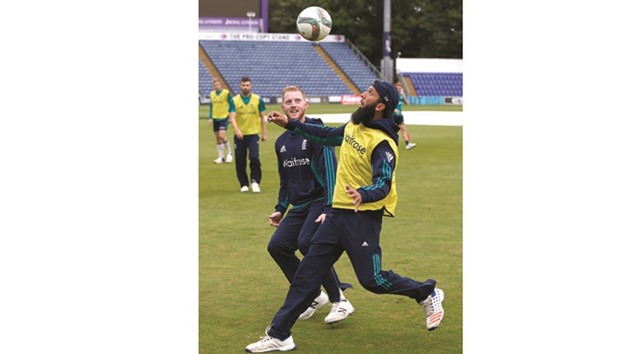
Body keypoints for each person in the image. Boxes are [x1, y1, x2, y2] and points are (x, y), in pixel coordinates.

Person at [245, 81, 445, 353]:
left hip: (363, 218)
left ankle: (426, 292)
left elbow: (383, 183)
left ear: (380, 105)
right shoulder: (353, 127)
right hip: (337, 215)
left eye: (369, 93)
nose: (362, 95)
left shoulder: (383, 143)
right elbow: (325, 135)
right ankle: (280, 334)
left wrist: (364, 193)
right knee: (307, 273)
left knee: (372, 280)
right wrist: (290, 125)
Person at [268, 85, 354, 325]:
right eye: (288, 102)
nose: (293, 105)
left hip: (320, 201)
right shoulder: (281, 141)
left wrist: (329, 208)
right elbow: (285, 180)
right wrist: (280, 208)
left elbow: (330, 172)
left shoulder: (318, 131)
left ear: (306, 104)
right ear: (283, 107)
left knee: (307, 243)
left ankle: (340, 300)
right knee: (277, 246)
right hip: (299, 206)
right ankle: (314, 295)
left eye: (297, 100)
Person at [229, 77, 267, 193]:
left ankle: (255, 181)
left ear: (250, 86)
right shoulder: (234, 101)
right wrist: (237, 130)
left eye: (247, 85)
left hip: (253, 133)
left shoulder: (257, 100)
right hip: (240, 135)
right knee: (240, 160)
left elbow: (262, 116)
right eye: (243, 85)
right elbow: (232, 117)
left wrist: (264, 132)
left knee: (254, 157)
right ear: (240, 86)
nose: (245, 87)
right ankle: (244, 183)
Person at [209, 78, 235, 164]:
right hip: (215, 117)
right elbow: (211, 106)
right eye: (215, 85)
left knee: (222, 135)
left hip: (224, 117)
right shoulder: (212, 94)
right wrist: (210, 117)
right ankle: (221, 157)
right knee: (217, 137)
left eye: (217, 85)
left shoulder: (226, 93)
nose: (216, 86)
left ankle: (229, 153)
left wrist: (231, 116)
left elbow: (231, 104)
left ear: (220, 85)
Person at [394, 82, 416, 150]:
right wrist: (394, 110)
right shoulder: (393, 95)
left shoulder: (400, 95)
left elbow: (407, 103)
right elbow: (389, 104)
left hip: (399, 115)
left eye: (400, 87)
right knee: (392, 130)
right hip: (392, 115)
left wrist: (403, 94)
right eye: (398, 87)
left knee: (403, 129)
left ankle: (407, 144)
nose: (399, 88)